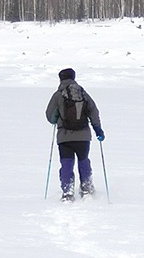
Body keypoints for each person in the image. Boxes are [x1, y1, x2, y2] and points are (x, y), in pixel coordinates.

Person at [45, 68, 105, 201]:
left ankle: (68, 192)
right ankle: (86, 188)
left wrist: (58, 119)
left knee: (66, 163)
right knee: (83, 161)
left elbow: (50, 116)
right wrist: (98, 130)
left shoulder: (58, 95)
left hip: (64, 137)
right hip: (83, 136)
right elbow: (93, 111)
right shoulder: (83, 93)